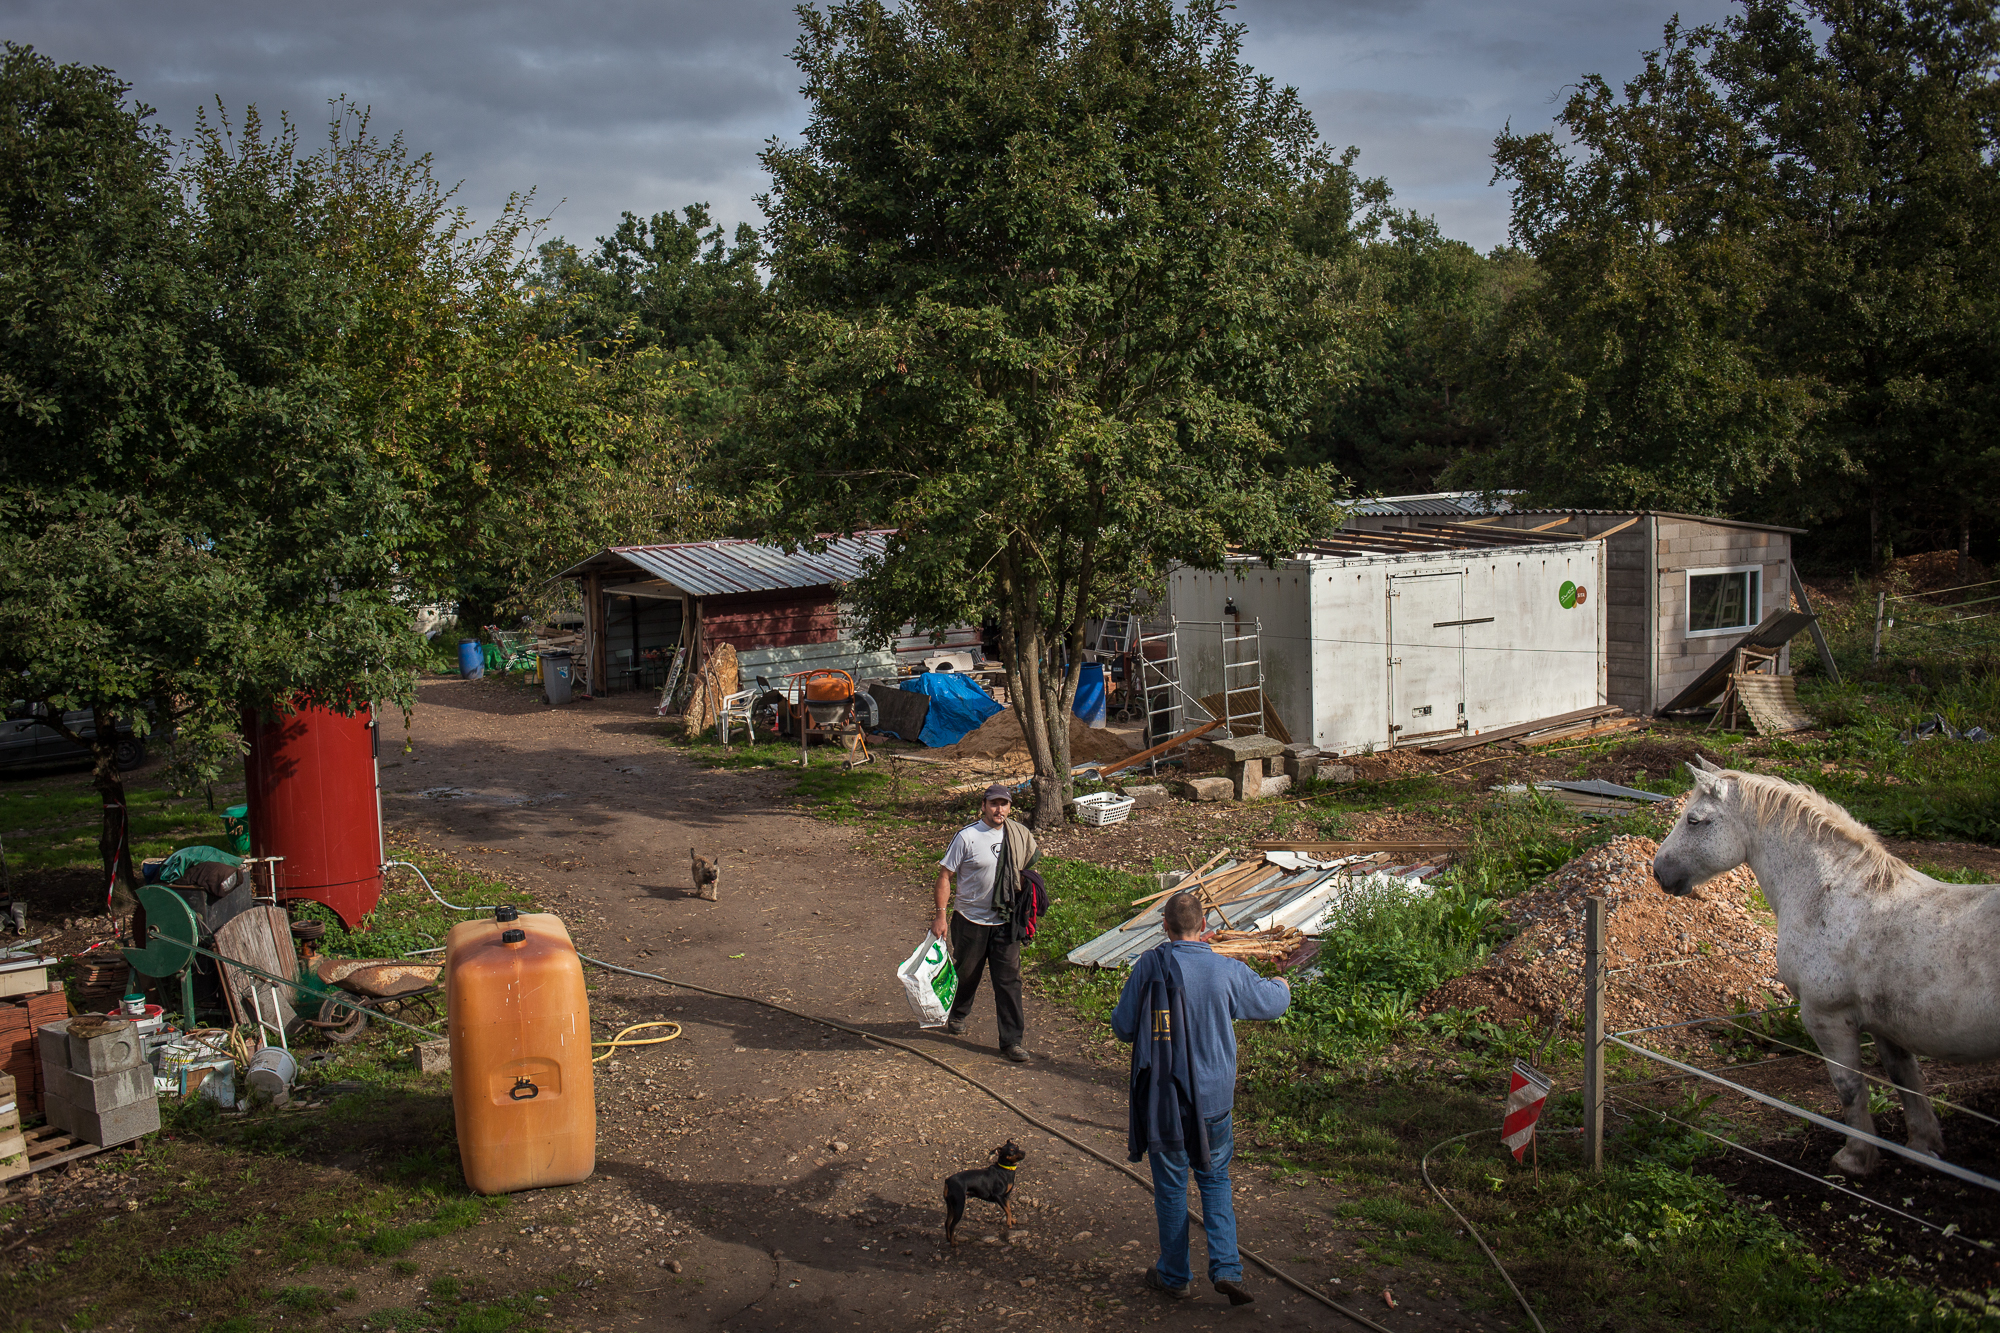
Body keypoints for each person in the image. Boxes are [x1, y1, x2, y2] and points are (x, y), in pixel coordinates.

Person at [1111, 890, 1290, 1306]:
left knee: (1172, 1188)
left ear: (1165, 927)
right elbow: (1272, 1003)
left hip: (1165, 1101)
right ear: (1206, 927)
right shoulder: (1225, 970)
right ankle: (1227, 1267)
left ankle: (1174, 1275)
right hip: (1213, 1101)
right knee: (1215, 1179)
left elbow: (1123, 1027)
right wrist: (1281, 983)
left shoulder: (1148, 968)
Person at [933, 783, 1037, 1062]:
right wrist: (941, 914)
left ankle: (1011, 1041)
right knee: (967, 973)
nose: (999, 809)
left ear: (1010, 808)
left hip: (1006, 921)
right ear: (984, 805)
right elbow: (945, 876)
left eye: (1004, 804)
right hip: (970, 920)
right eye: (994, 804)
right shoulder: (967, 836)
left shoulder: (1018, 835)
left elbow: (1028, 868)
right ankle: (958, 1013)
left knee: (1009, 981)